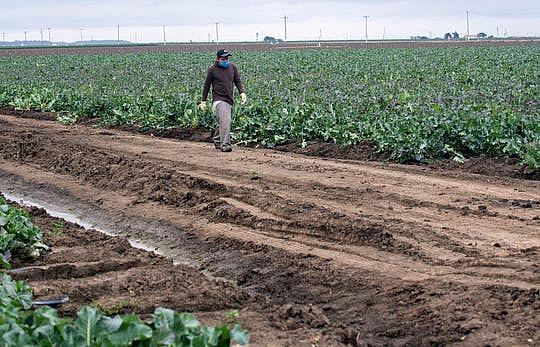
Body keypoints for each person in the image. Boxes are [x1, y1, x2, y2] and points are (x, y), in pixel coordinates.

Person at [199, 49, 247, 152]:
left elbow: (237, 81)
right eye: (223, 59)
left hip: (229, 99)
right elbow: (206, 86)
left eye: (227, 58)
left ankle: (217, 140)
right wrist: (203, 101)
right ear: (217, 59)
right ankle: (225, 145)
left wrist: (242, 92)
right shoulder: (212, 70)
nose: (225, 60)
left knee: (222, 122)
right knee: (226, 120)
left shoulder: (232, 67)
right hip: (219, 100)